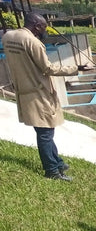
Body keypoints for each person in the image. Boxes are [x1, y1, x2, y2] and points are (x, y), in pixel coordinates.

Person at [3, 11, 88, 181]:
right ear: (36, 26)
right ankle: (52, 171)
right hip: (38, 92)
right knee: (45, 133)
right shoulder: (33, 42)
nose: (45, 30)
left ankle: (57, 161)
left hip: (23, 90)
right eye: (43, 27)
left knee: (44, 129)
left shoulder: (8, 37)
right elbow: (48, 68)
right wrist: (76, 68)